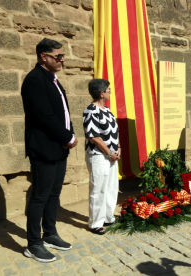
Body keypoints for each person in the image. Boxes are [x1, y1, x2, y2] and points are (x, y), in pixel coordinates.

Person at [21, 38, 78, 262]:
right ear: (44, 57)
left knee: (54, 194)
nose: (62, 59)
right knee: (40, 196)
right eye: (58, 56)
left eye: (62, 56)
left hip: (59, 146)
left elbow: (63, 112)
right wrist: (68, 137)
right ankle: (33, 243)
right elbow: (45, 116)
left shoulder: (52, 79)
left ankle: (50, 234)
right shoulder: (35, 80)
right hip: (44, 148)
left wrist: (69, 136)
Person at [83, 79, 120, 235]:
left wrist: (118, 148)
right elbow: (93, 136)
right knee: (98, 188)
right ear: (101, 93)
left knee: (111, 187)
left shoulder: (107, 110)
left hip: (111, 155)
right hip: (99, 155)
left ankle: (107, 217)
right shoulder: (91, 110)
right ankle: (95, 223)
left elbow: (114, 131)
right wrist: (109, 152)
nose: (110, 91)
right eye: (108, 89)